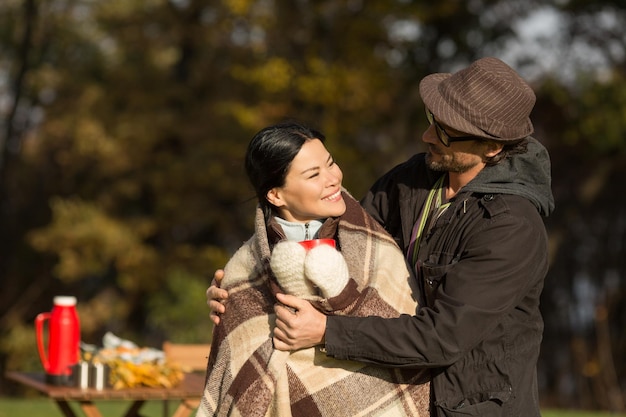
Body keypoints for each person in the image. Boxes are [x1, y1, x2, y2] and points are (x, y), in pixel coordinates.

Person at [208, 57, 555, 417]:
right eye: (433, 121)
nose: (427, 136)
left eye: (446, 132)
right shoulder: (412, 177)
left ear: (492, 147)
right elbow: (336, 243)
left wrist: (328, 331)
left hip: (473, 409)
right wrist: (244, 289)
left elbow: (442, 337)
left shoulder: (511, 228)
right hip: (398, 397)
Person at [197, 122, 430, 417]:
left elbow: (401, 322)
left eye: (331, 163)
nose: (333, 179)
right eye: (313, 175)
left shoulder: (374, 242)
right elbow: (239, 355)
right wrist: (232, 293)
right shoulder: (245, 270)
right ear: (276, 195)